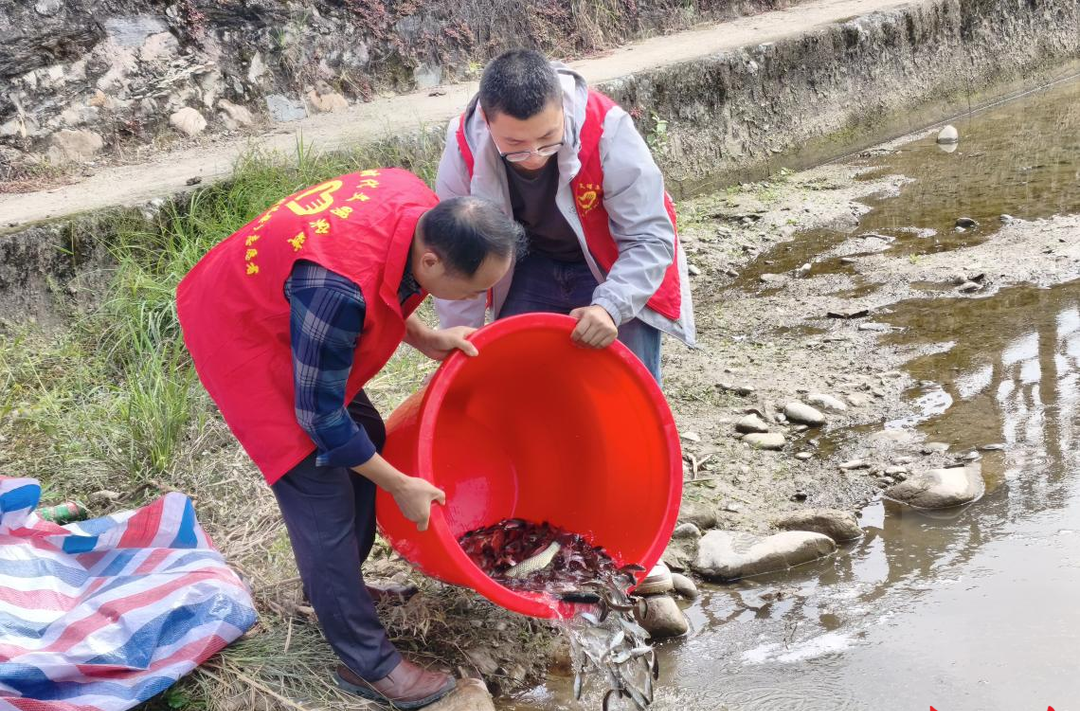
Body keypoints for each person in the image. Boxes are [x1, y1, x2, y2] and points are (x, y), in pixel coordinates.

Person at [176, 168, 524, 709]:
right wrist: (402, 485)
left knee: (371, 434)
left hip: (298, 304)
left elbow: (387, 282)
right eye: (476, 289)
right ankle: (369, 665)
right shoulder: (334, 289)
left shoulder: (417, 205)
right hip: (244, 327)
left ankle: (338, 588)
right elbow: (320, 418)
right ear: (433, 260)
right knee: (321, 489)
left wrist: (426, 335)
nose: (480, 299)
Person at [434, 49, 696, 382]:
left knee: (627, 382)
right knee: (517, 376)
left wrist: (610, 306)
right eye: (515, 144)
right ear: (487, 121)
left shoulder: (606, 129)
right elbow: (458, 256)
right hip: (531, 264)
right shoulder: (464, 145)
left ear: (562, 108)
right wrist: (461, 341)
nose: (533, 157)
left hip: (612, 263)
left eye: (547, 139)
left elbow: (649, 237)